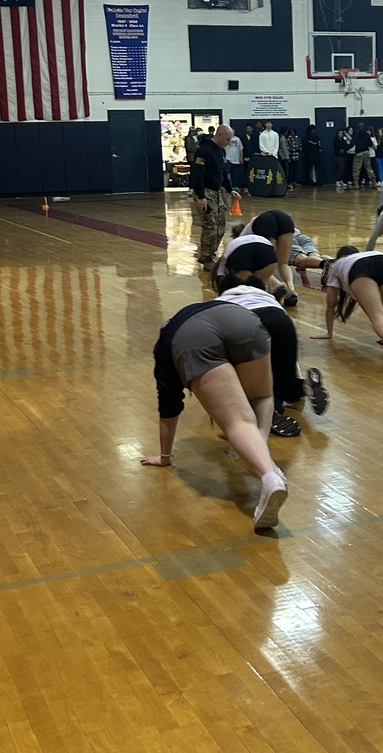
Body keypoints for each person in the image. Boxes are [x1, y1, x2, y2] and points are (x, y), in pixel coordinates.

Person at [140, 299, 288, 530]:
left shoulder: (166, 343)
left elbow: (168, 403)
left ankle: (270, 477)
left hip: (196, 336)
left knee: (237, 421)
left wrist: (165, 456)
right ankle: (264, 461)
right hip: (243, 318)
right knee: (262, 397)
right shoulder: (196, 310)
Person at [217, 272, 330, 437]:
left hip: (248, 321)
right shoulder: (267, 297)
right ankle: (305, 385)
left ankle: (271, 412)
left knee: (254, 385)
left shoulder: (222, 301)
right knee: (286, 382)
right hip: (282, 321)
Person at [313, 247, 383, 371]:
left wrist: (329, 333)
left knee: (377, 315)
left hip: (359, 267)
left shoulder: (336, 266)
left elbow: (331, 303)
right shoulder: (362, 255)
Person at [190, 124, 241, 271]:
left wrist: (230, 189)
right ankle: (206, 258)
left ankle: (211, 254)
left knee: (220, 225)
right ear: (219, 135)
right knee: (210, 225)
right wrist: (201, 196)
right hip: (205, 192)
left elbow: (223, 172)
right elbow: (198, 174)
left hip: (216, 192)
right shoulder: (204, 151)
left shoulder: (220, 151)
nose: (228, 143)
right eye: (227, 139)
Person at [233, 209, 298, 306]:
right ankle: (291, 290)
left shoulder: (241, 238)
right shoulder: (251, 224)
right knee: (283, 263)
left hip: (266, 221)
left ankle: (276, 285)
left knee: (259, 265)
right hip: (285, 219)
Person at [351, 123, 377, 189]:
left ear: (358, 127)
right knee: (369, 168)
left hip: (359, 153)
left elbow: (352, 143)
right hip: (366, 152)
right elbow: (370, 143)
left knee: (356, 169)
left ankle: (356, 184)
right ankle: (374, 182)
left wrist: (346, 148)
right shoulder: (366, 134)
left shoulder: (356, 134)